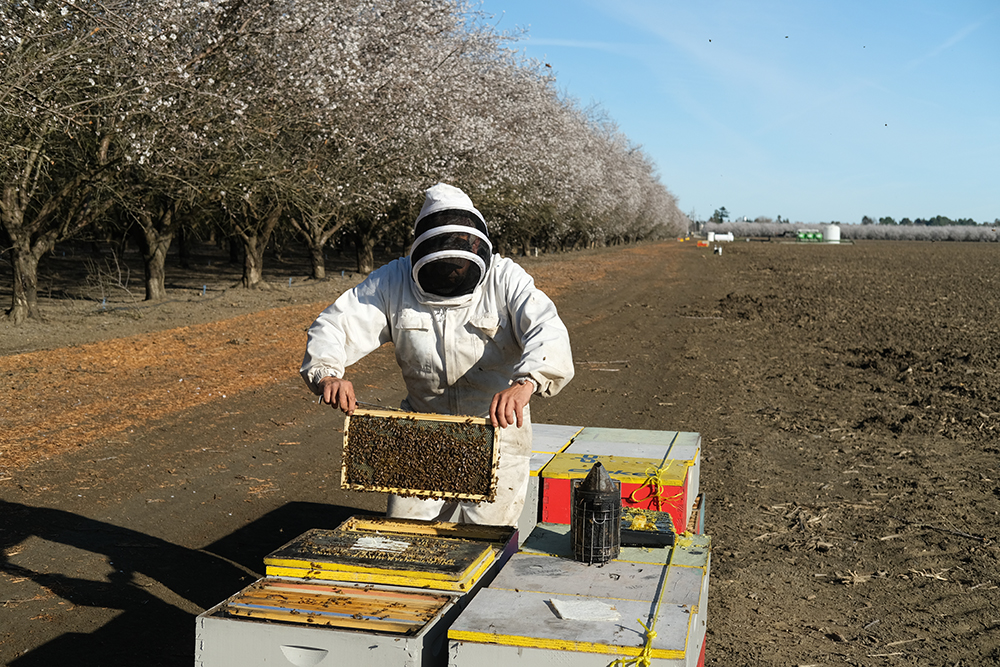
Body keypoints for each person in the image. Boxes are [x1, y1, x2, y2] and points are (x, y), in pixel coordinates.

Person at [301, 183, 574, 527]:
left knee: (484, 543)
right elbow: (335, 325)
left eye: (458, 254)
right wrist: (327, 374)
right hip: (421, 431)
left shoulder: (506, 279)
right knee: (407, 537)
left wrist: (527, 382)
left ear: (477, 243)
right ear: (421, 247)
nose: (451, 268)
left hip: (497, 430)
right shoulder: (392, 281)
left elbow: (546, 329)